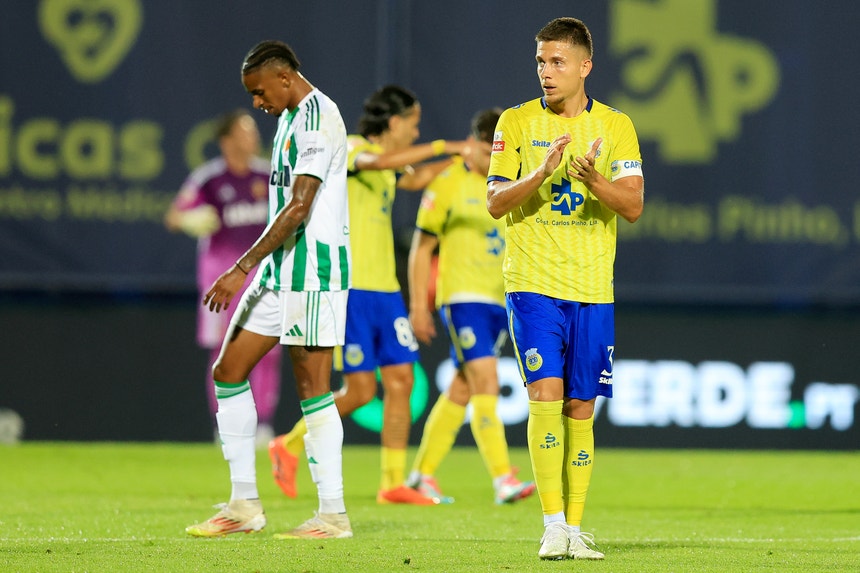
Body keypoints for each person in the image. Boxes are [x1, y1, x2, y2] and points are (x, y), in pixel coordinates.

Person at [486, 17, 644, 560]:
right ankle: (552, 525)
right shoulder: (516, 122)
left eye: (557, 62)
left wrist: (592, 179)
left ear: (585, 66)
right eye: (540, 61)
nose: (546, 72)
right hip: (532, 284)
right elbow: (496, 202)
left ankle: (575, 528)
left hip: (593, 287)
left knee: (581, 406)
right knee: (545, 396)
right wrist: (541, 172)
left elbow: (633, 206)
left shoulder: (617, 126)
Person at [185, 40, 353, 539]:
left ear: (284, 77)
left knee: (312, 389)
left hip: (314, 273)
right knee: (227, 371)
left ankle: (333, 515)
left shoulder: (318, 118)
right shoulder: (287, 118)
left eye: (259, 92)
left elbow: (300, 206)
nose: (257, 103)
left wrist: (241, 266)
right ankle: (243, 506)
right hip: (279, 270)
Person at [269, 85, 468, 505]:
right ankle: (288, 444)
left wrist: (461, 158)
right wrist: (445, 146)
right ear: (394, 122)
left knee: (402, 380)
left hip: (386, 291)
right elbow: (379, 162)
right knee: (359, 391)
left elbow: (414, 176)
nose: (416, 133)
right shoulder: (354, 147)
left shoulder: (390, 167)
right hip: (353, 289)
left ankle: (392, 482)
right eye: (413, 124)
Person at [406, 107, 536, 505]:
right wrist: (418, 306)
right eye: (487, 151)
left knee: (462, 388)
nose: (494, 160)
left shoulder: (510, 185)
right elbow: (421, 248)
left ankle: (421, 475)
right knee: (486, 382)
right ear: (473, 145)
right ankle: (502, 478)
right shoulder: (448, 183)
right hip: (463, 298)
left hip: (500, 299)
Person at [165, 109, 282, 447]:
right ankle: (227, 426)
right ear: (227, 141)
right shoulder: (209, 179)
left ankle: (262, 424)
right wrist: (190, 219)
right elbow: (174, 216)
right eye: (245, 131)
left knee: (267, 348)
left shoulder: (269, 175)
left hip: (262, 275)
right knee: (224, 351)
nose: (253, 136)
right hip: (220, 277)